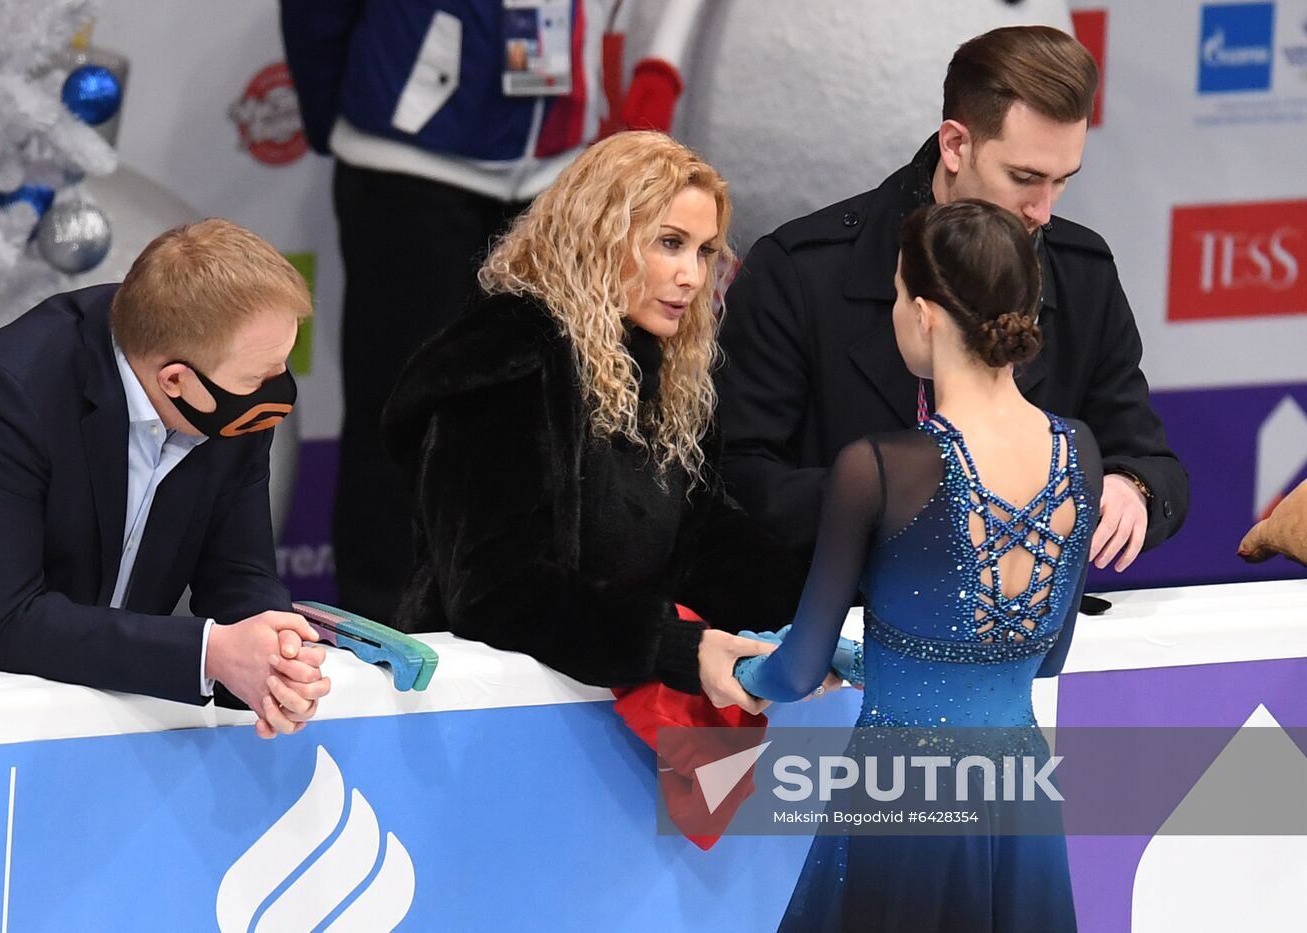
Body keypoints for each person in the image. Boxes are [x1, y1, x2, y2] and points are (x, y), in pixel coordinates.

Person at [735, 199, 1102, 931]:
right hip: (1020, 790)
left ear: (925, 315)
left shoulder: (881, 467)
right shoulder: (1082, 452)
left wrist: (746, 669)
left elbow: (797, 673)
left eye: (899, 294)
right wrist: (879, 661)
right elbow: (1043, 657)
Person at [718, 25, 1186, 576]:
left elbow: (1151, 461)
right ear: (956, 145)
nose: (1043, 211)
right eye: (1024, 177)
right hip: (832, 606)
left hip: (1023, 618)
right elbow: (735, 476)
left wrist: (1132, 488)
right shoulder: (800, 271)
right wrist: (892, 501)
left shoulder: (1084, 274)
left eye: (1062, 181)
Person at [382, 131, 804, 706]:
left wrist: (815, 617)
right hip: (485, 710)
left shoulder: (662, 370)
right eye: (670, 243)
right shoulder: (510, 358)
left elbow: (705, 540)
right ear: (599, 237)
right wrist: (675, 648)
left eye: (704, 251)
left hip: (602, 705)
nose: (692, 276)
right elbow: (495, 591)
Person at [0, 220, 329, 739]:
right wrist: (211, 654)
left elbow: (238, 572)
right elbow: (9, 624)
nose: (277, 390)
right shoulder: (1, 396)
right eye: (260, 377)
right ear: (176, 380)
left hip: (115, 714)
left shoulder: (231, 389)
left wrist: (273, 657)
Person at [280, 0, 612, 622]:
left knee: (540, 416)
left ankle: (517, 618)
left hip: (555, 169)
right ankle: (384, 627)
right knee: (401, 408)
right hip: (410, 161)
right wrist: (356, 112)